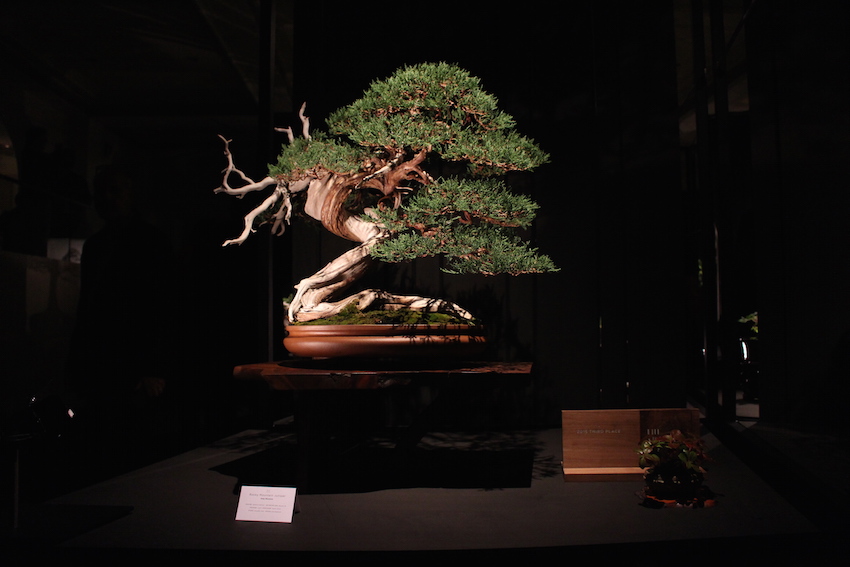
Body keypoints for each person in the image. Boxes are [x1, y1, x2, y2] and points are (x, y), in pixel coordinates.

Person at [65, 164, 179, 479]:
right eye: (102, 192)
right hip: (103, 362)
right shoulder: (96, 245)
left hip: (133, 362)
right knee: (104, 449)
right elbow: (88, 306)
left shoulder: (150, 242)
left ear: (130, 195)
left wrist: (155, 366)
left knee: (131, 451)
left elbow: (162, 305)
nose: (107, 198)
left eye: (116, 191)